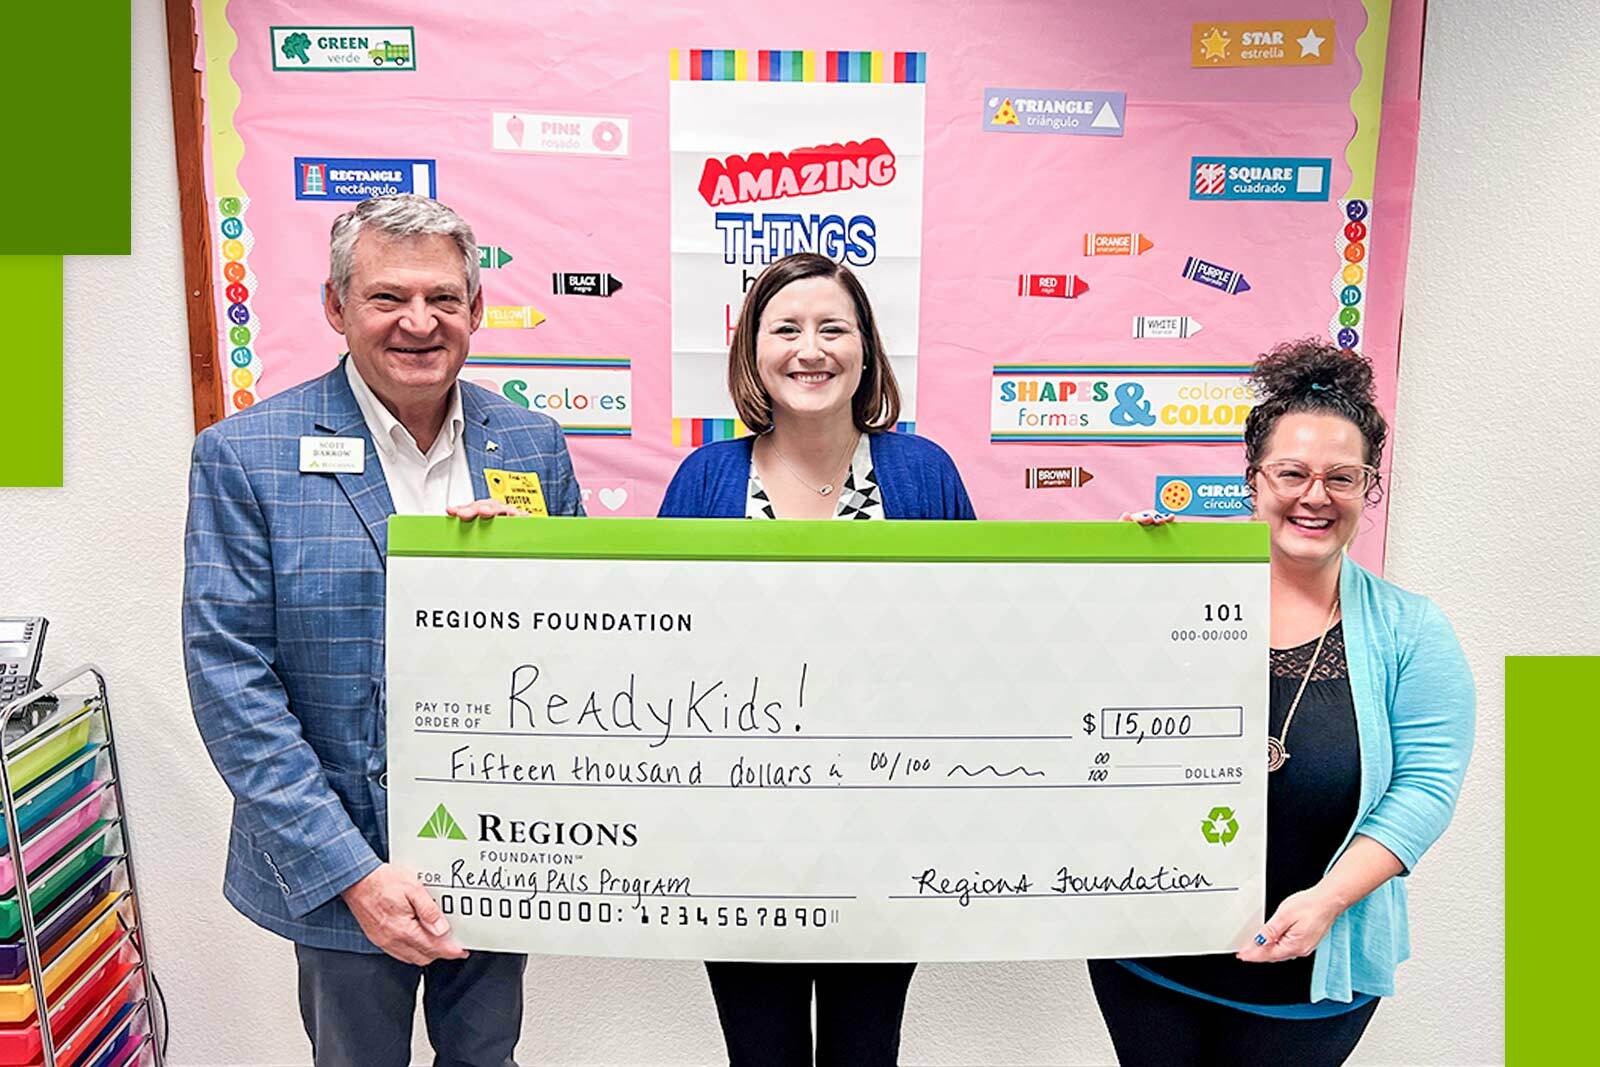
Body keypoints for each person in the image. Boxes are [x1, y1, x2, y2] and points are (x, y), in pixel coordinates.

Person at [182, 194, 583, 1066]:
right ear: (336, 306)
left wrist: (531, 584)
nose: (419, 322)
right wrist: (354, 872)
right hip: (335, 855)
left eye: (444, 298)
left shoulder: (532, 444)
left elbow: (578, 646)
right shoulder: (247, 453)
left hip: (496, 846)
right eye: (387, 297)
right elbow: (229, 679)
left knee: (487, 1058)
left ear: (477, 310)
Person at [1090, 341, 1476, 1066]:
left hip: (1312, 977)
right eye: (1292, 472)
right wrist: (1129, 581)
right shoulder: (1176, 597)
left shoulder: (1412, 630)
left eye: (1342, 476)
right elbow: (1091, 720)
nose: (1315, 495)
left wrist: (1329, 898)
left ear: (1370, 488)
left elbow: (1426, 789)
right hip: (1149, 959)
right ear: (1253, 481)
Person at [659, 252, 974, 1065]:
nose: (811, 348)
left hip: (887, 837)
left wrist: (1136, 568)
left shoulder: (923, 474)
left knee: (867, 1052)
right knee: (758, 1055)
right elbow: (647, 647)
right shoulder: (704, 480)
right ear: (751, 351)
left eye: (834, 327)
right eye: (786, 328)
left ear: (865, 348)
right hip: (736, 843)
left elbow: (984, 634)